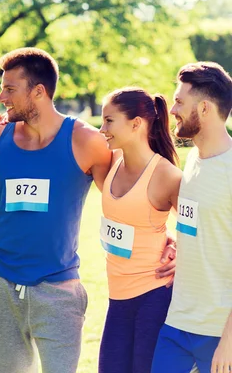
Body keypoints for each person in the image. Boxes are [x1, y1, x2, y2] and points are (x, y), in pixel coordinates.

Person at [0, 47, 176, 373]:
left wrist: (171, 238)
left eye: (10, 88)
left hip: (58, 289)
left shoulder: (87, 142)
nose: (1, 97)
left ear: (39, 92)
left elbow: (124, 201)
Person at [151, 62, 232, 373]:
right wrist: (177, 243)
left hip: (219, 333)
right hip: (178, 321)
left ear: (205, 108)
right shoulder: (193, 160)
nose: (172, 110)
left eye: (180, 101)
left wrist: (228, 341)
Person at [97, 87, 182, 373]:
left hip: (153, 295)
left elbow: (199, 228)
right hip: (116, 297)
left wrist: (179, 249)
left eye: (109, 121)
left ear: (136, 124)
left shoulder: (166, 175)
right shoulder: (111, 161)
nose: (102, 128)